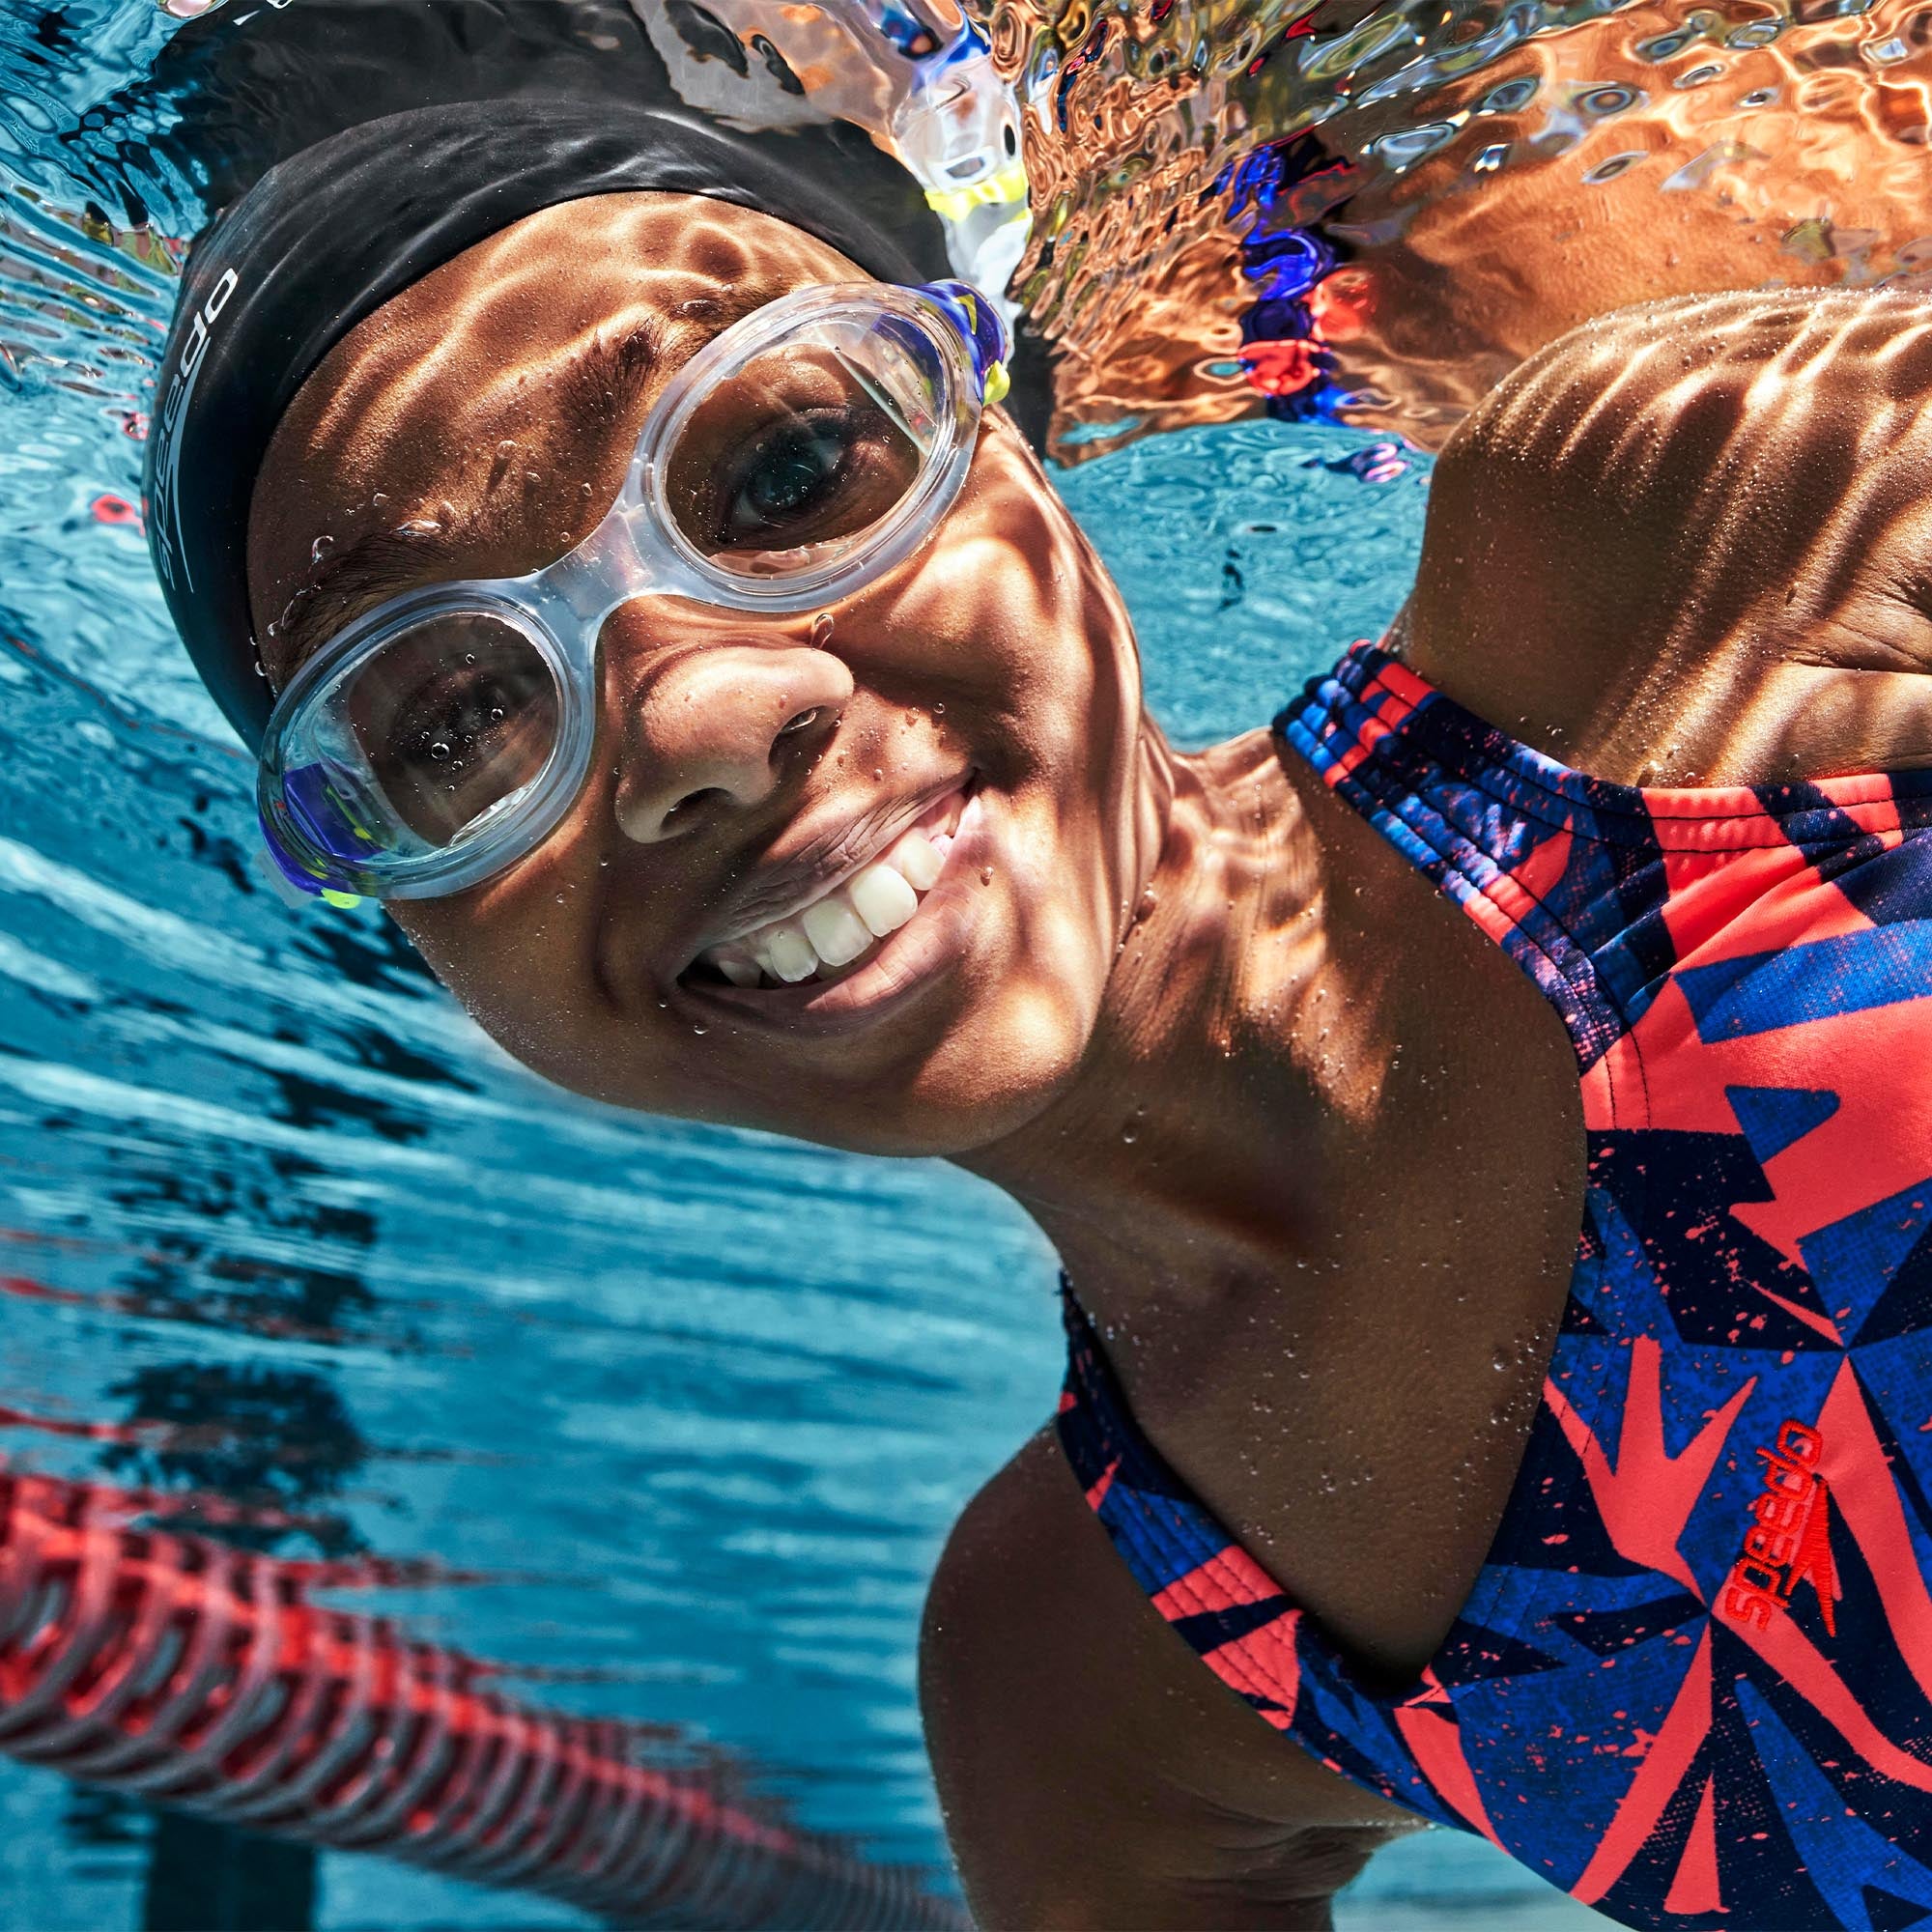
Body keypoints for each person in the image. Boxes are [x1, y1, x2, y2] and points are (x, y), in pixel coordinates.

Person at [142, 11, 1932, 1931]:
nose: (698, 722)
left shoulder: (1689, 558)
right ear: (418, 915)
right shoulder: (1087, 1712)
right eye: (451, 716)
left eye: (792, 466)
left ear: (1007, 439)